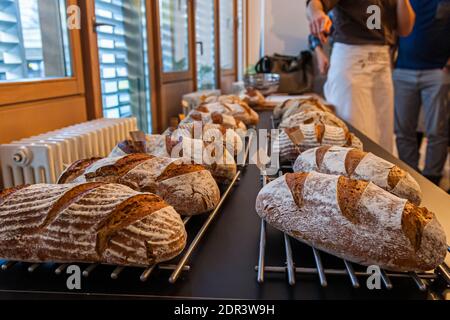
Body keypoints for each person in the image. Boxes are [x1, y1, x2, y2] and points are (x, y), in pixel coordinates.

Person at [306, 0, 416, 153]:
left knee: (382, 132)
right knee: (352, 130)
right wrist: (316, 13)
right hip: (351, 57)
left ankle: (378, 176)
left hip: (382, 60)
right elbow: (315, 3)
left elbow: (405, 29)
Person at [394, 0, 450, 186]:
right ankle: (409, 176)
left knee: (437, 130)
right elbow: (387, 27)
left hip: (438, 72)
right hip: (402, 71)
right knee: (403, 131)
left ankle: (432, 178)